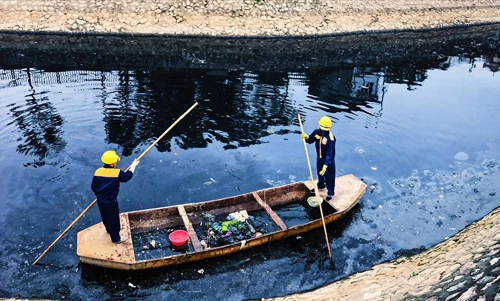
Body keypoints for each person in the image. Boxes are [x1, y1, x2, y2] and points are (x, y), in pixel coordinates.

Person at [91, 150, 140, 243]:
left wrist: (99, 194)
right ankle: (116, 239)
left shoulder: (98, 171)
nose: (117, 162)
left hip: (100, 200)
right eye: (116, 161)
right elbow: (127, 177)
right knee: (113, 219)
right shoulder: (117, 173)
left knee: (105, 217)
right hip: (110, 202)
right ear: (113, 163)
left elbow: (93, 187)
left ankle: (108, 230)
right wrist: (133, 166)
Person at [301, 116, 336, 201]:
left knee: (329, 177)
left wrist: (325, 165)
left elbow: (329, 154)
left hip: (328, 161)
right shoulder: (317, 132)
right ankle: (321, 186)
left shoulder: (330, 138)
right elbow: (310, 139)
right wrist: (306, 138)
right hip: (319, 158)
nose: (323, 130)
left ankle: (330, 193)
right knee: (319, 173)